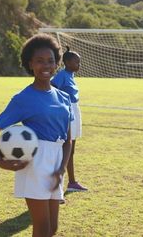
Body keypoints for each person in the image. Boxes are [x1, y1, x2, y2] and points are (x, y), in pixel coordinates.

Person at [0, 34, 72, 237]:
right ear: (30, 63)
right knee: (41, 227)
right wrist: (1, 161)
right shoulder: (23, 98)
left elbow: (67, 141)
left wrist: (61, 170)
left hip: (57, 161)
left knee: (52, 228)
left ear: (57, 63)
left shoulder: (64, 97)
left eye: (50, 60)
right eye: (39, 61)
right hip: (35, 161)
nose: (46, 66)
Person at [51, 46, 88, 192]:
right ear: (67, 63)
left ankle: (72, 182)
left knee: (71, 149)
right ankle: (57, 185)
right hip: (67, 111)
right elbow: (51, 87)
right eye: (76, 62)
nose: (79, 65)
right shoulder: (62, 75)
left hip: (74, 109)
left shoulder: (71, 75)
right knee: (66, 148)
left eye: (79, 62)